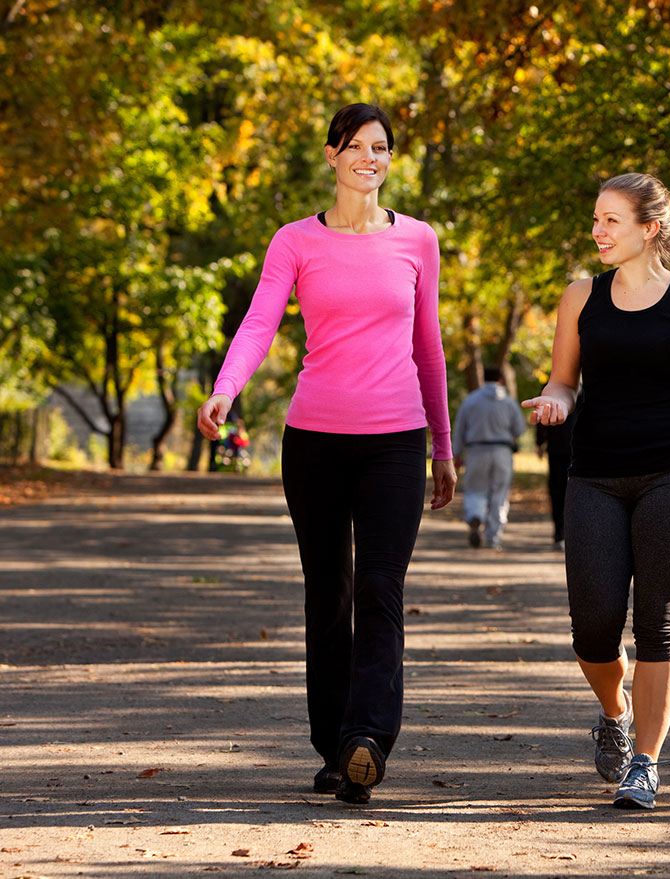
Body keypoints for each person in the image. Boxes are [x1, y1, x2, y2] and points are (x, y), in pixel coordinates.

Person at [196, 103, 456, 806]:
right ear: (332, 154)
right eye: (359, 146)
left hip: (396, 442)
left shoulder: (419, 241)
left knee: (379, 587)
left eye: (383, 148)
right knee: (328, 592)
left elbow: (427, 347)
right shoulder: (294, 242)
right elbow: (259, 322)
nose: (372, 157)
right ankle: (333, 743)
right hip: (313, 442)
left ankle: (367, 737)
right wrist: (226, 391)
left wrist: (443, 443)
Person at [522, 172, 670, 810]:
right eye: (596, 220)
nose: (597, 231)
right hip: (594, 475)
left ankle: (646, 764)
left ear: (649, 229)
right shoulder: (580, 298)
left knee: (658, 624)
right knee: (594, 629)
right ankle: (614, 709)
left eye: (610, 221)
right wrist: (552, 401)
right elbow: (564, 381)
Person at [452, 366, 526, 549]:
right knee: (499, 494)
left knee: (476, 489)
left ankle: (475, 515)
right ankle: (494, 537)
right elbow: (520, 429)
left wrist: (456, 453)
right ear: (501, 380)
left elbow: (459, 428)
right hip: (502, 451)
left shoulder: (471, 401)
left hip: (476, 451)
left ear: (483, 378)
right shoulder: (509, 402)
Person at [535, 387, 580, 550]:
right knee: (560, 490)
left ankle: (563, 532)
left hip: (567, 449)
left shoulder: (586, 387)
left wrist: (540, 442)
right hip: (567, 449)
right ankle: (561, 532)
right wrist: (540, 442)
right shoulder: (553, 388)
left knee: (562, 490)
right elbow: (541, 417)